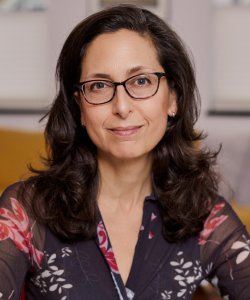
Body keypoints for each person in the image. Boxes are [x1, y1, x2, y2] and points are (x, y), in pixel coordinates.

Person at [0, 4, 249, 300]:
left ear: (173, 98)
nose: (121, 106)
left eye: (141, 81)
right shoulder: (26, 210)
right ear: (79, 106)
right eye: (99, 86)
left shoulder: (207, 216)